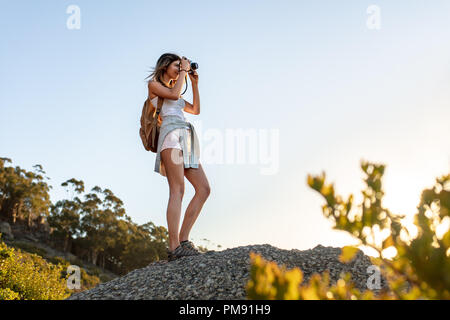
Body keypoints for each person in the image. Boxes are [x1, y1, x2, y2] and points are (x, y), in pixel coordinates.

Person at [146, 53, 211, 261]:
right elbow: (172, 95)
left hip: (186, 138)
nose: (181, 67)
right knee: (178, 189)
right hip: (170, 138)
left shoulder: (176, 89)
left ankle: (183, 240)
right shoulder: (155, 85)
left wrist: (194, 83)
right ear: (165, 66)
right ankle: (174, 247)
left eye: (181, 65)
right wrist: (184, 71)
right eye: (176, 65)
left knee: (204, 189)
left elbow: (196, 110)